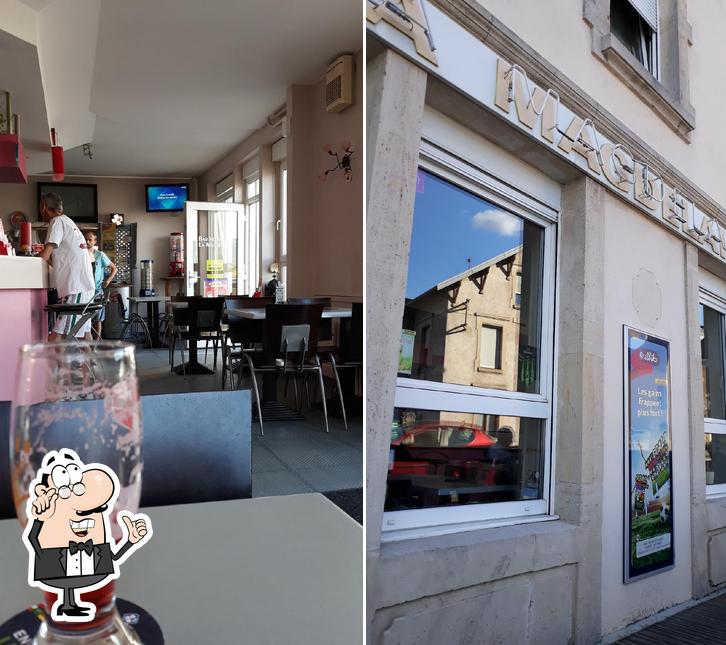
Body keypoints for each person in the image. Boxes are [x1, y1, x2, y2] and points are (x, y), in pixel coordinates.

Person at [38, 193, 96, 341]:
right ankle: (92, 364)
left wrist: (29, 262)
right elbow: (57, 259)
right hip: (85, 287)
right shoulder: (68, 221)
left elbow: (46, 254)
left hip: (76, 287)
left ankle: (58, 365)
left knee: (56, 337)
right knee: (84, 335)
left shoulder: (57, 221)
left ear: (43, 206)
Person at [84, 230, 117, 339]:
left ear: (94, 241)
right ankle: (87, 344)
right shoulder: (81, 255)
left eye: (90, 239)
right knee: (85, 319)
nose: (87, 241)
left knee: (98, 319)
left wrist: (108, 280)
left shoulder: (100, 255)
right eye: (86, 239)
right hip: (84, 291)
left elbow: (114, 268)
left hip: (97, 291)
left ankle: (95, 345)